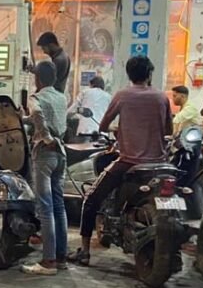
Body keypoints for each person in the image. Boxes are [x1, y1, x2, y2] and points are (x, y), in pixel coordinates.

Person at [69, 56, 172, 266]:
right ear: (149, 74)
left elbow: (103, 126)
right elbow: (169, 130)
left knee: (90, 199)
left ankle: (85, 251)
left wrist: (118, 128)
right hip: (160, 164)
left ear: (129, 74)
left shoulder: (123, 95)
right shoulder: (162, 97)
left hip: (129, 162)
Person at [21, 61, 69, 275]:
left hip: (44, 153)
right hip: (61, 153)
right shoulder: (61, 97)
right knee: (59, 206)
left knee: (45, 207)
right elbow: (40, 118)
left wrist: (46, 137)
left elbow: (38, 113)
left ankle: (48, 262)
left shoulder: (36, 98)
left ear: (37, 78)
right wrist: (23, 118)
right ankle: (61, 257)